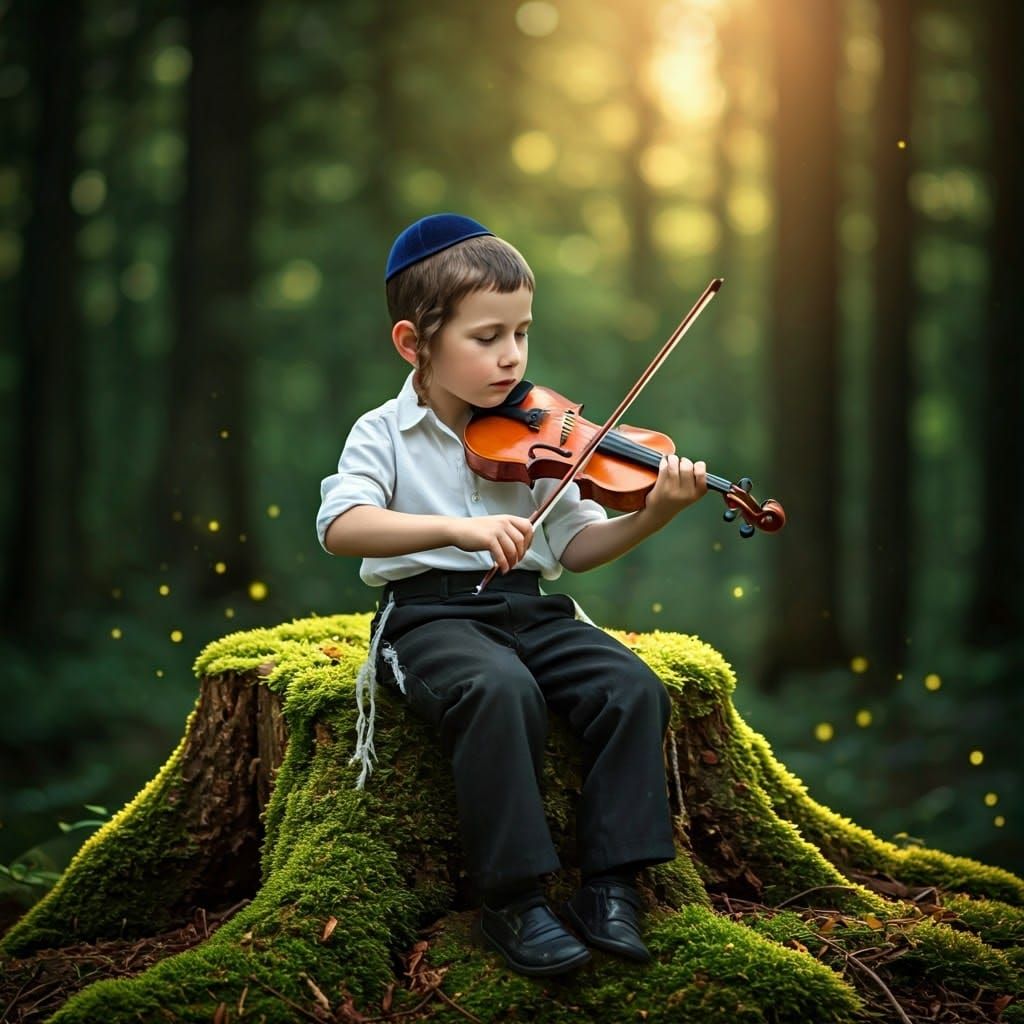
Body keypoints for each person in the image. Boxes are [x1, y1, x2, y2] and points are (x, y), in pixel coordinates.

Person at [316, 213, 708, 977]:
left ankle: (612, 884)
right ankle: (514, 900)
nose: (511, 356)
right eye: (486, 336)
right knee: (499, 688)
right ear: (413, 343)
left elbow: (577, 546)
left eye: (521, 334)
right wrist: (458, 532)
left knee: (630, 686)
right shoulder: (383, 432)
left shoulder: (538, 430)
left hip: (532, 608)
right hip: (429, 617)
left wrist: (655, 512)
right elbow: (342, 525)